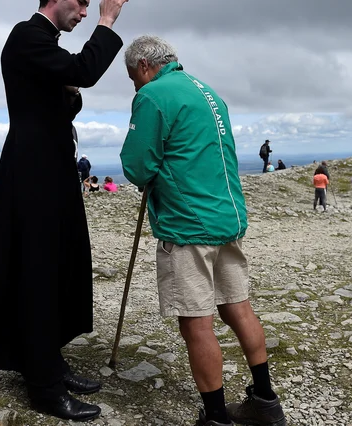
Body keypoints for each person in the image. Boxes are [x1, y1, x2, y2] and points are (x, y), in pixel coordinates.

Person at [0, 0, 128, 422]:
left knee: (57, 264)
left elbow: (62, 94)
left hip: (50, 169)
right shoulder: (27, 35)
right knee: (36, 269)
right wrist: (107, 22)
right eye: (80, 2)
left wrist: (67, 93)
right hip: (33, 171)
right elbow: (83, 72)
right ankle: (43, 387)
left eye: (90, 6)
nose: (84, 11)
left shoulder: (44, 43)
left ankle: (47, 360)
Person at [119, 35, 286, 426]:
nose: (135, 86)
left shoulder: (154, 95)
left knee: (196, 320)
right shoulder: (209, 92)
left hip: (188, 222)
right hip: (227, 216)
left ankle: (216, 418)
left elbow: (137, 165)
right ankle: (266, 402)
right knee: (238, 306)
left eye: (133, 78)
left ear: (144, 65)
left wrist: (153, 172)